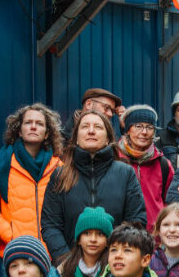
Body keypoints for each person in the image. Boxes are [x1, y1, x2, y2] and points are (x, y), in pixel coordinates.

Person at [41, 111, 147, 260]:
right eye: (85, 126)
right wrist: (66, 261)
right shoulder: (60, 175)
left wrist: (116, 257)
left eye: (98, 127)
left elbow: (136, 221)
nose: (91, 131)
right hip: (70, 269)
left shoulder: (125, 173)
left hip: (115, 267)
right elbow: (50, 225)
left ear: (108, 138)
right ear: (76, 138)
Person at [0, 104, 66, 256]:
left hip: (50, 253)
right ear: (20, 131)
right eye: (28, 123)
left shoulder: (58, 167)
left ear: (47, 133)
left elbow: (66, 209)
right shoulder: (0, 164)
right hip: (16, 252)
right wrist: (12, 236)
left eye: (39, 124)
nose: (33, 127)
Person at [118, 105, 175, 229]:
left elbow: (170, 203)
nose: (144, 132)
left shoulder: (163, 164)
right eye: (138, 126)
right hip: (121, 239)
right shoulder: (115, 160)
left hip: (155, 239)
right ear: (128, 129)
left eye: (149, 127)